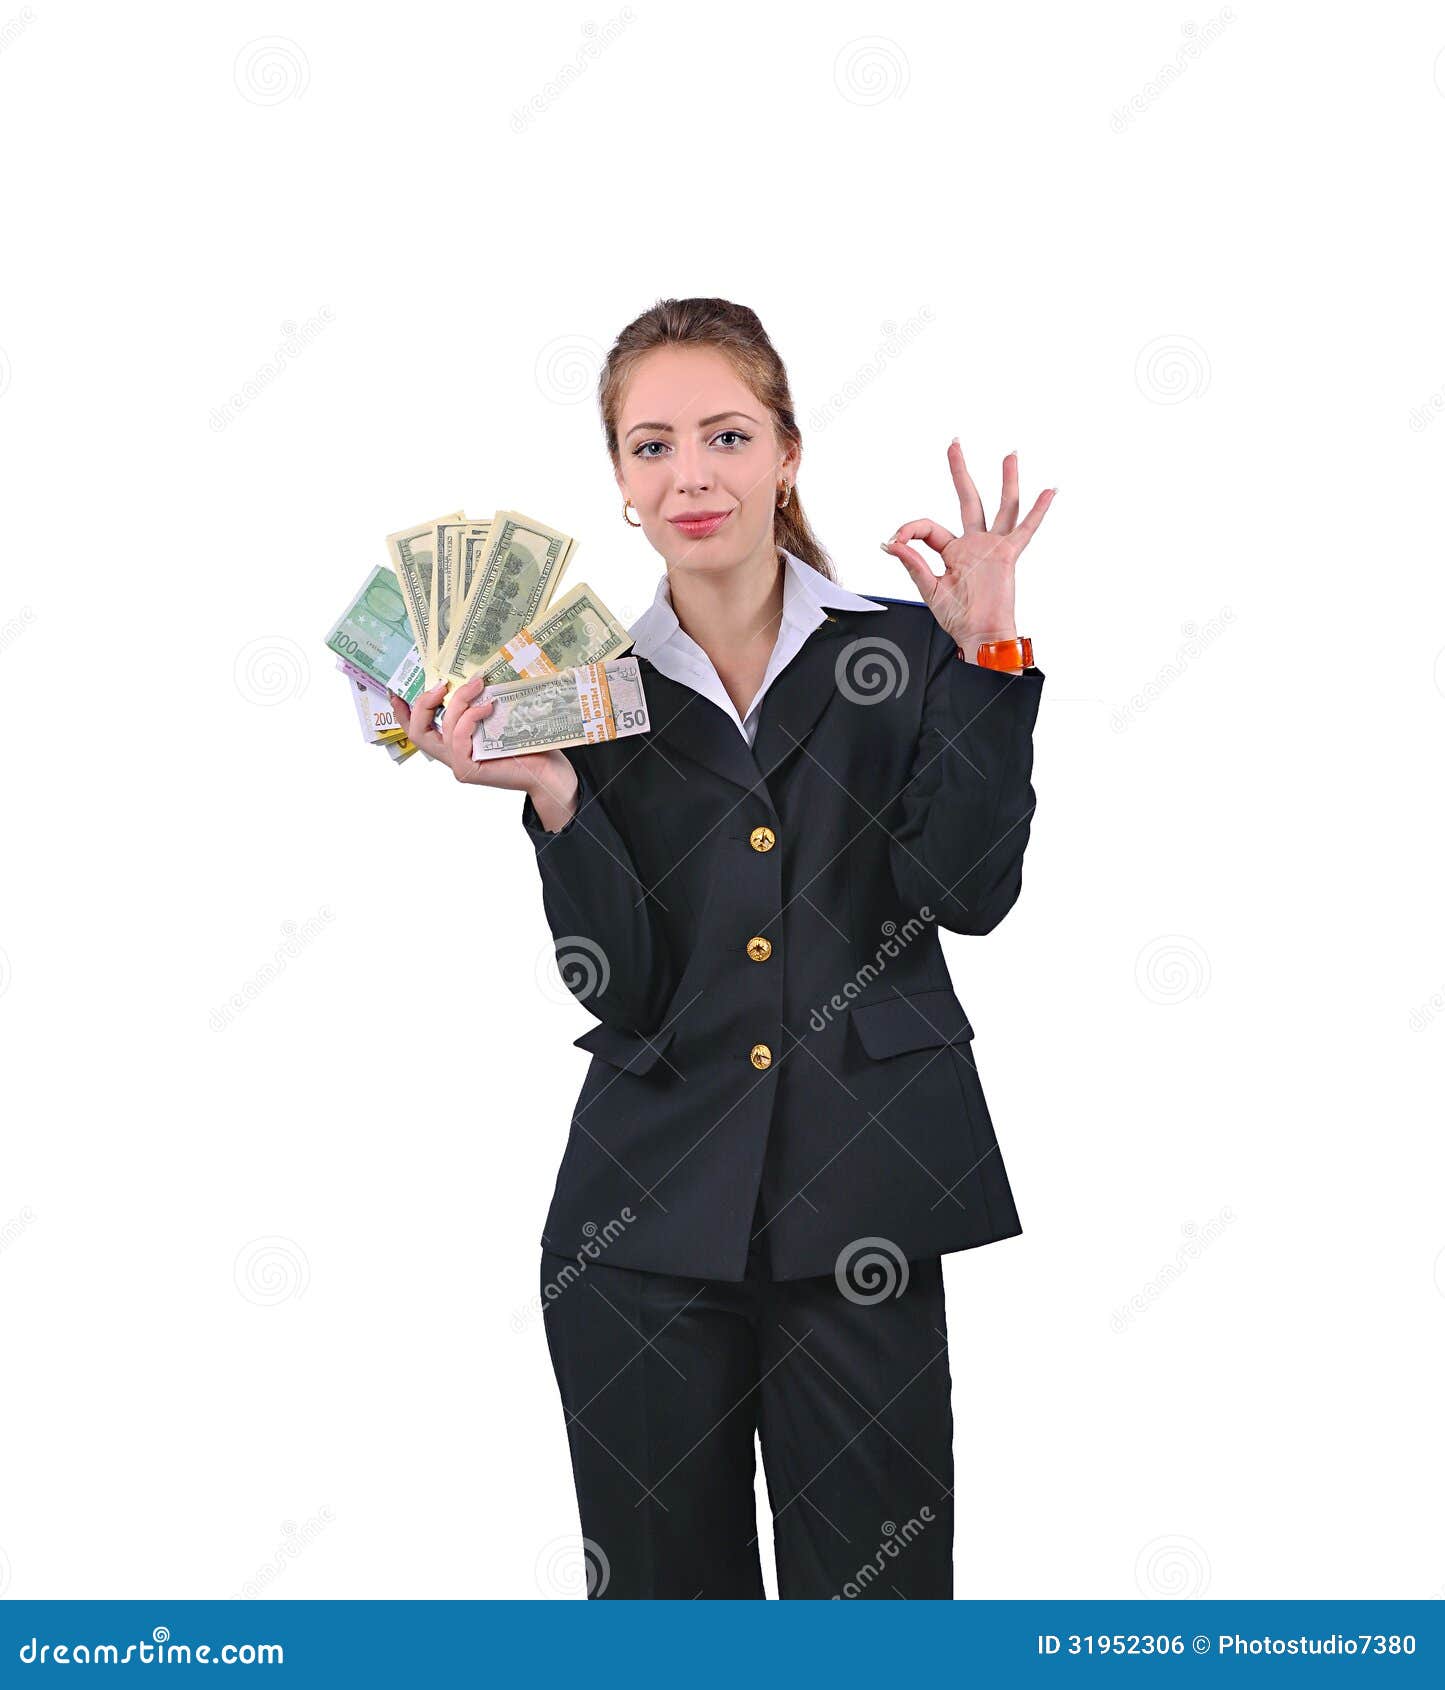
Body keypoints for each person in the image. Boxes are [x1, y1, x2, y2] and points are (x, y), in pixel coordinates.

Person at [390, 297, 1054, 1599]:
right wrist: (556, 797)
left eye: (726, 435)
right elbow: (627, 985)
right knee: (662, 1626)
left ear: (786, 454)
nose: (689, 473)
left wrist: (988, 655)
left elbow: (968, 893)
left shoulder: (909, 650)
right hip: (639, 1228)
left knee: (877, 1622)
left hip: (863, 1210)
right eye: (652, 446)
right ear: (621, 483)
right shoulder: (579, 692)